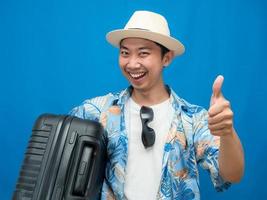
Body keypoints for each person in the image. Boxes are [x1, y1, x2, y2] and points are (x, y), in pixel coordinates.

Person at [70, 10, 244, 200]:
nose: (132, 63)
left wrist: (227, 132)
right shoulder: (97, 110)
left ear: (166, 58)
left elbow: (231, 175)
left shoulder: (193, 119)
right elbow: (60, 150)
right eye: (125, 53)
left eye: (143, 53)